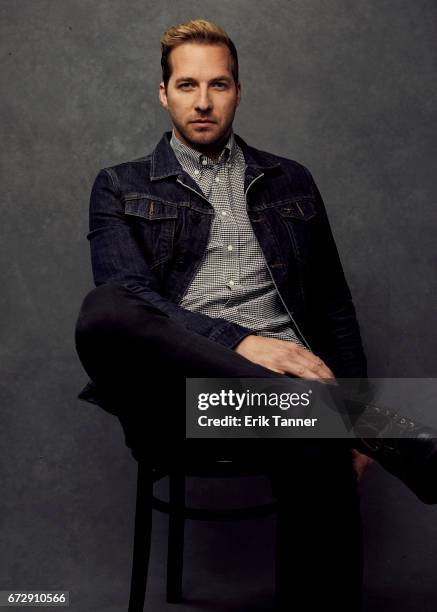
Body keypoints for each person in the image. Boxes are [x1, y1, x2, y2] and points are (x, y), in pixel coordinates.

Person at [73, 19, 434, 611]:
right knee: (105, 306)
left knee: (312, 434)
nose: (204, 101)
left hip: (289, 401)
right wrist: (240, 341)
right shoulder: (120, 186)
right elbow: (129, 302)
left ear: (239, 90)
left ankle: (348, 423)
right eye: (187, 86)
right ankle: (392, 433)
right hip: (181, 400)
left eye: (219, 85)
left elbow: (334, 308)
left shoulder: (290, 181)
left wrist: (350, 394)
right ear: (163, 94)